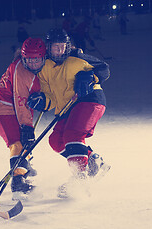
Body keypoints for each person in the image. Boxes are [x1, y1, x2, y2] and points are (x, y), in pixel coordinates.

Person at [27, 29, 110, 198]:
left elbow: (104, 69)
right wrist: (43, 101)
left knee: (72, 134)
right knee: (56, 141)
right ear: (48, 48)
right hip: (67, 107)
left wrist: (90, 77)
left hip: (89, 99)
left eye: (62, 47)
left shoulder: (77, 57)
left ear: (67, 47)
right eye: (55, 47)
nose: (59, 51)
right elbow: (50, 95)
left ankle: (80, 178)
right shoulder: (45, 67)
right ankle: (94, 161)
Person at [0, 37, 46, 199]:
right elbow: (20, 103)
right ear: (23, 58)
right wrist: (27, 128)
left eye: (37, 61)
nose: (33, 65)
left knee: (25, 142)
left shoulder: (40, 67)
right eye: (29, 61)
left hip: (11, 107)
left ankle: (23, 166)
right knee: (17, 142)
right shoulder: (22, 72)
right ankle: (18, 183)